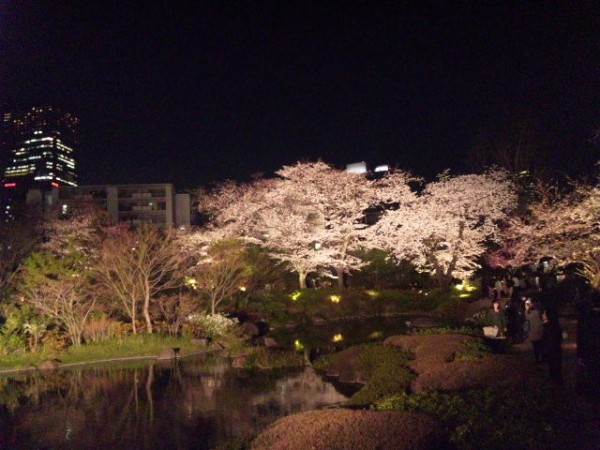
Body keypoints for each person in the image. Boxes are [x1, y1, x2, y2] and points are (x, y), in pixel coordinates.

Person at [524, 298, 544, 363]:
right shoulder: (535, 312)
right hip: (536, 330)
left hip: (535, 330)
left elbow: (527, 320)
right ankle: (540, 358)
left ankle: (538, 359)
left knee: (537, 346)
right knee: (538, 346)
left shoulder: (533, 312)